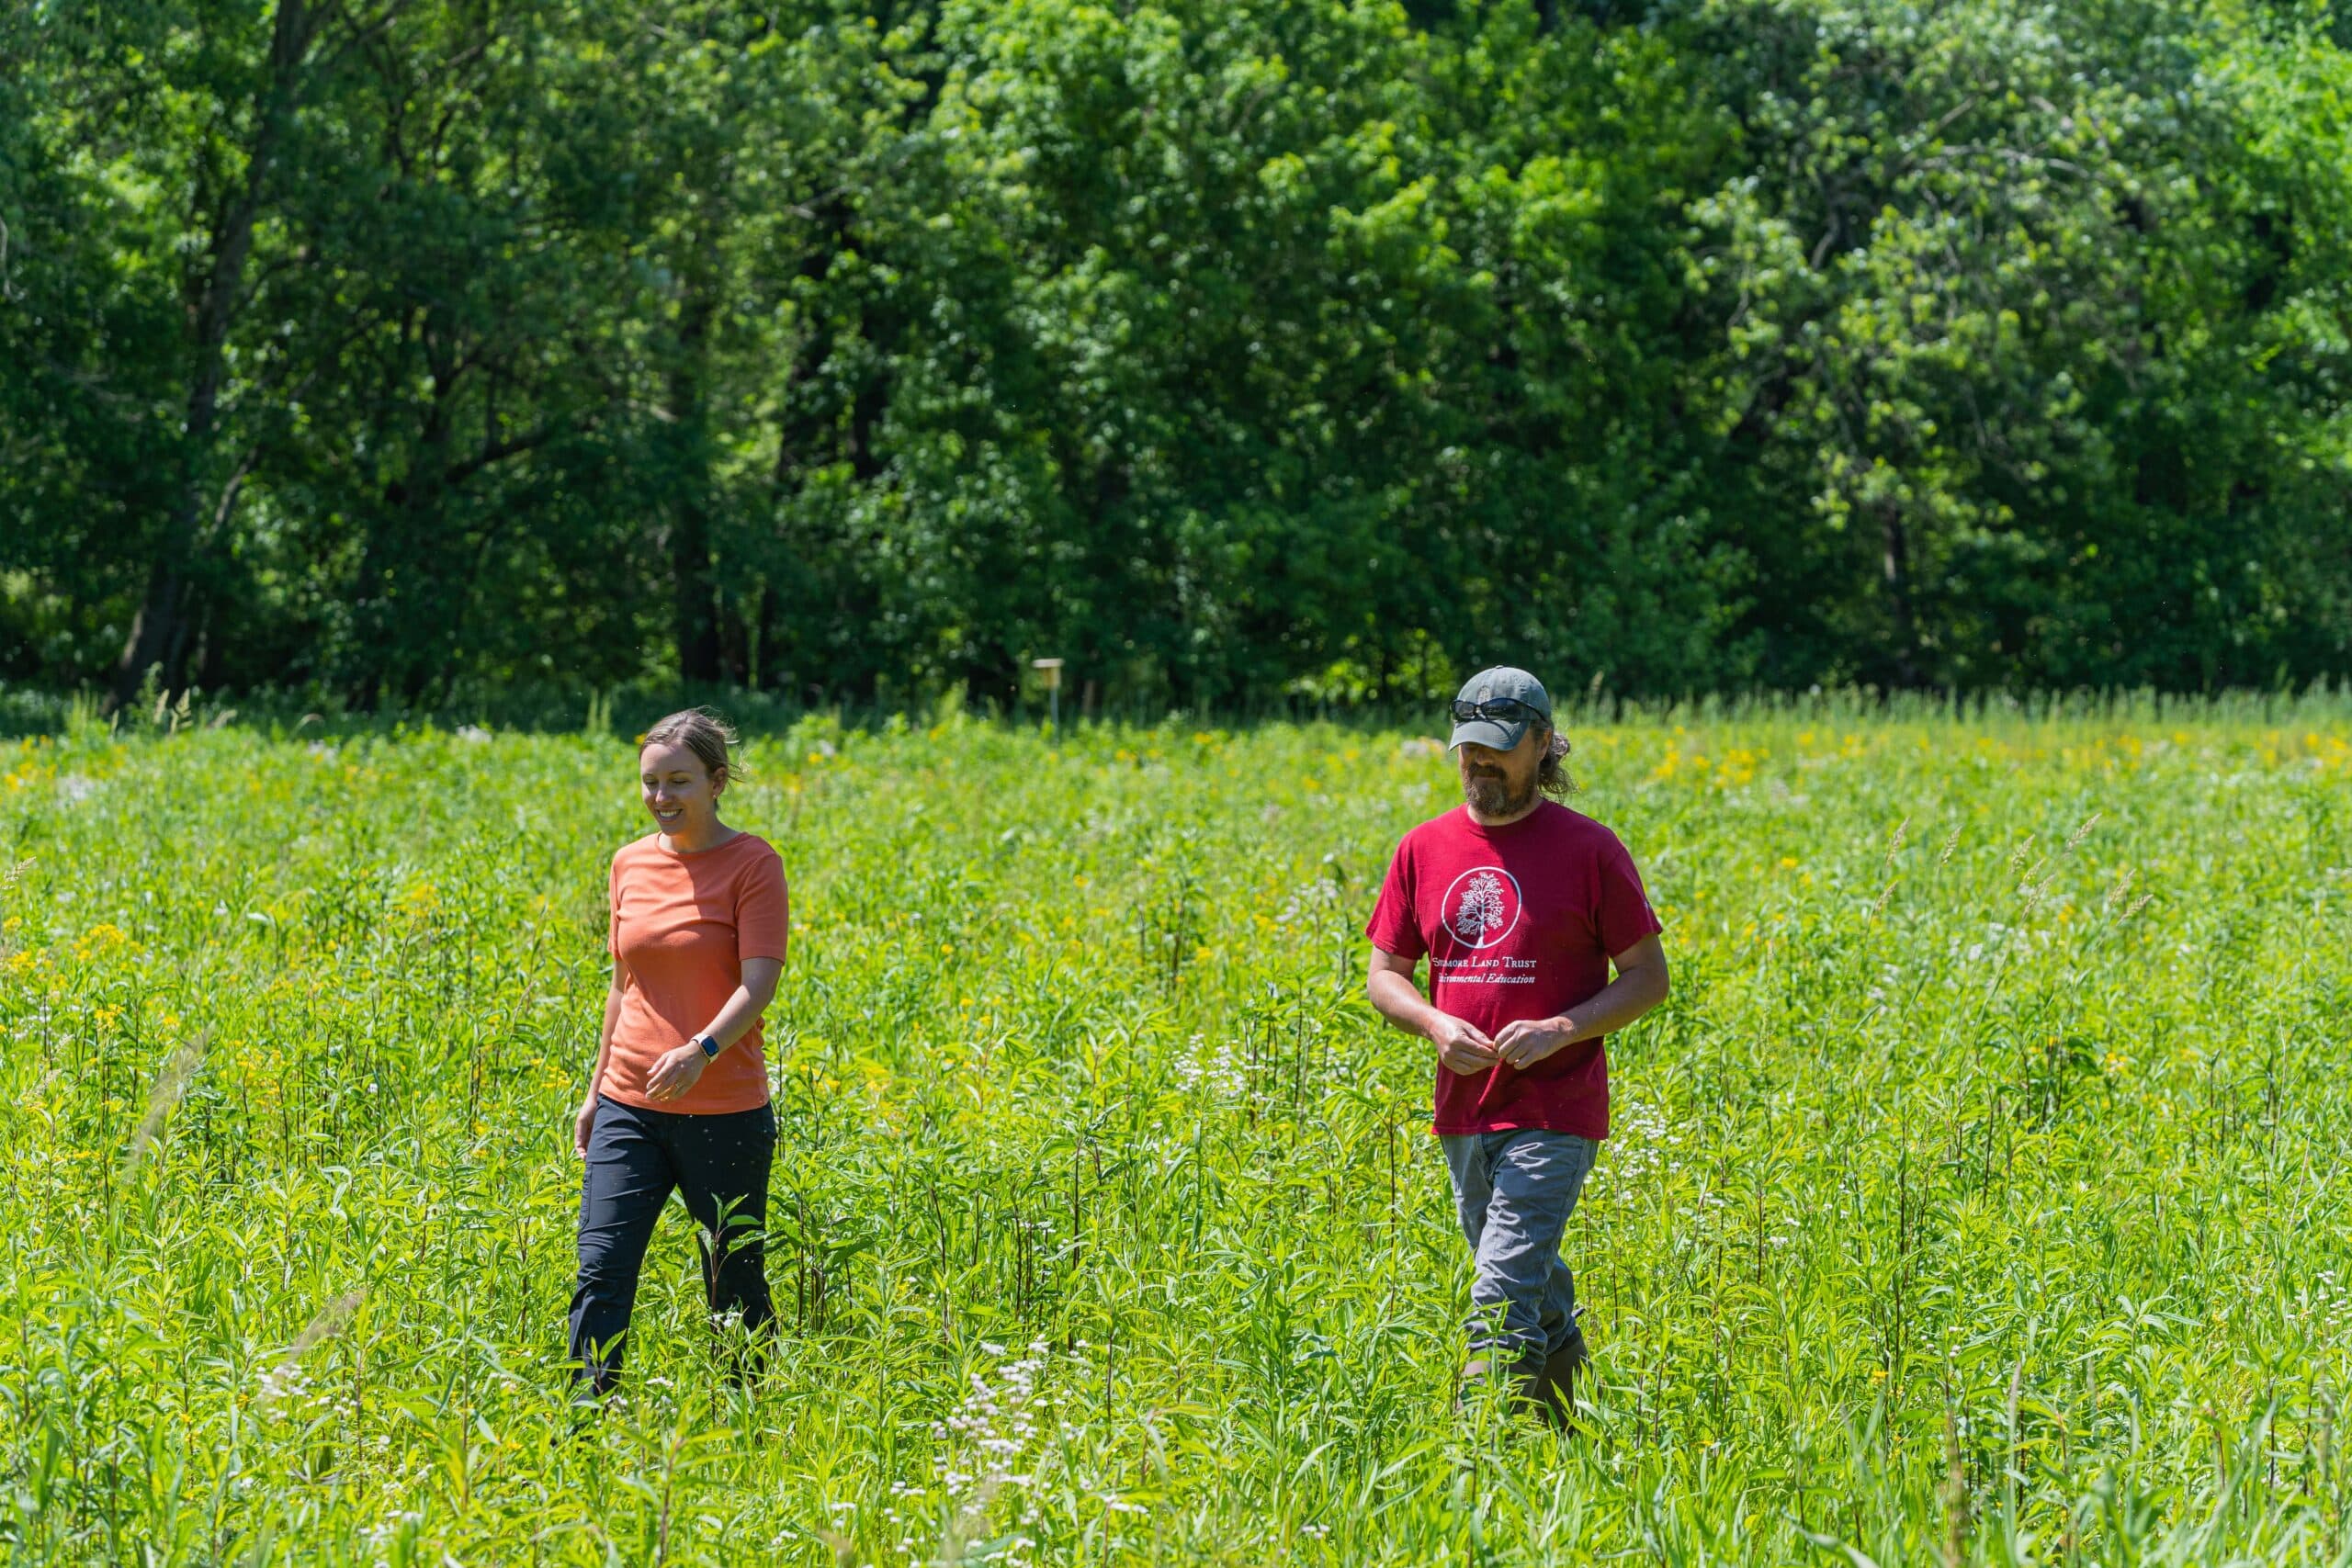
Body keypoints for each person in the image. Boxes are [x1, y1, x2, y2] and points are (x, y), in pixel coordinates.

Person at [1364, 667, 1670, 1426]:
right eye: (1468, 749)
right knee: (1529, 1282)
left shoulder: (1590, 849)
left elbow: (1648, 978)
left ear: (1543, 744)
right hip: (1465, 1109)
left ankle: (1482, 1458)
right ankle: (1569, 1433)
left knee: (1497, 1291)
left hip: (1556, 1108)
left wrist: (1562, 1027)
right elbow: (1385, 975)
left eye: (1498, 750)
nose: (1479, 764)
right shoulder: (1423, 847)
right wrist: (1434, 1024)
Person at [568, 708, 788, 1395]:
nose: (662, 797)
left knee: (733, 1277)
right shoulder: (628, 863)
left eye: (679, 781)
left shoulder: (753, 864)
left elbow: (761, 981)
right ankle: (586, 1422)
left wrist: (703, 1048)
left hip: (725, 1111)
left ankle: (749, 1413)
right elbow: (621, 985)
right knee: (601, 1267)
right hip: (628, 1106)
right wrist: (594, 1090)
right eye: (650, 782)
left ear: (717, 782)